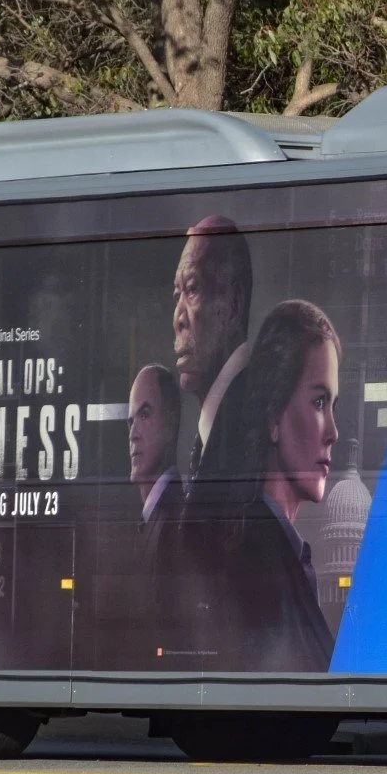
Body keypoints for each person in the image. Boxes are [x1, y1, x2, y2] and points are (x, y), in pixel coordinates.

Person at [175, 300, 339, 673]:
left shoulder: (274, 552)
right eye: (318, 402)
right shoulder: (259, 566)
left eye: (334, 405)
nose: (333, 432)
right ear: (273, 419)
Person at [172, 215, 253, 475]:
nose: (178, 318)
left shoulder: (250, 424)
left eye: (192, 289)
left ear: (234, 305)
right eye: (177, 295)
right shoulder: (223, 419)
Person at [127, 363, 183, 530]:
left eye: (144, 415)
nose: (132, 435)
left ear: (170, 426)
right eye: (131, 422)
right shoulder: (153, 516)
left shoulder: (174, 518)